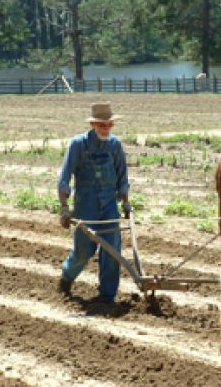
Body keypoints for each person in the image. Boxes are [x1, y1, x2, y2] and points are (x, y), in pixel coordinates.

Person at [57, 101, 131, 303]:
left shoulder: (115, 145)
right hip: (86, 206)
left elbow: (122, 177)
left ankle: (107, 296)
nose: (106, 129)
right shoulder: (78, 145)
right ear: (93, 125)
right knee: (83, 251)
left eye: (109, 126)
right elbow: (64, 178)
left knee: (111, 251)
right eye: (102, 125)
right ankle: (66, 278)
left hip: (109, 206)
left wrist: (125, 202)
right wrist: (64, 208)